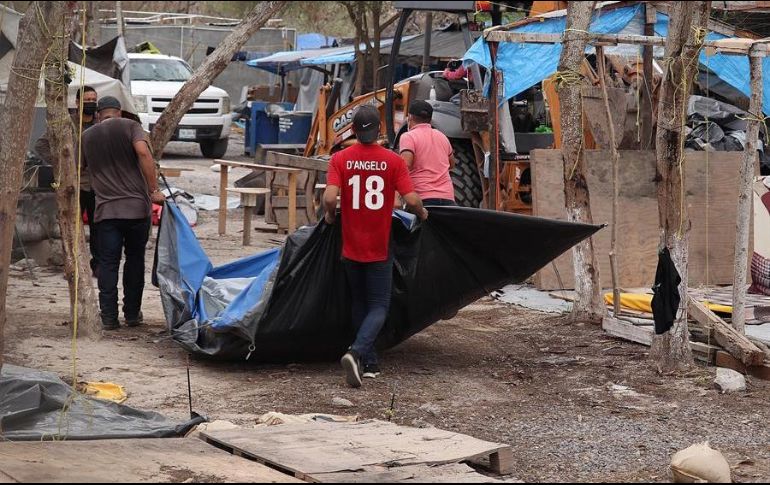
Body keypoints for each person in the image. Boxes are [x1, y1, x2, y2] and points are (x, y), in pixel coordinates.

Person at [323, 105, 428, 389]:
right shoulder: (392, 161)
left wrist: (330, 217)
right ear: (379, 131)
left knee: (359, 302)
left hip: (351, 246)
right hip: (379, 245)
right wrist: (422, 215)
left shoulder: (340, 159)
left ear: (354, 131)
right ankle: (356, 352)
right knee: (379, 304)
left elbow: (330, 197)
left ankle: (369, 364)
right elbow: (411, 198)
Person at [82, 96, 166, 330]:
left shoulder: (87, 136)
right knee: (135, 260)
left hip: (106, 212)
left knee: (108, 263)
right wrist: (154, 190)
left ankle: (108, 317)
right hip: (137, 210)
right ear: (119, 112)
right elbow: (142, 152)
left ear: (98, 114)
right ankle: (131, 314)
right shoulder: (131, 126)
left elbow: (80, 168)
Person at [34, 85, 101, 274]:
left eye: (93, 100)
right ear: (78, 102)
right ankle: (74, 266)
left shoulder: (100, 124)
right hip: (73, 184)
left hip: (97, 185)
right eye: (87, 100)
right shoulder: (67, 124)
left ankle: (97, 265)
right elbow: (41, 145)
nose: (91, 104)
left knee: (99, 228)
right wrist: (63, 164)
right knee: (72, 227)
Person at [399, 100, 457, 206]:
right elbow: (451, 164)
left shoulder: (408, 137)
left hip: (422, 200)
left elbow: (405, 166)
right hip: (447, 199)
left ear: (410, 117)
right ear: (430, 119)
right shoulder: (442, 136)